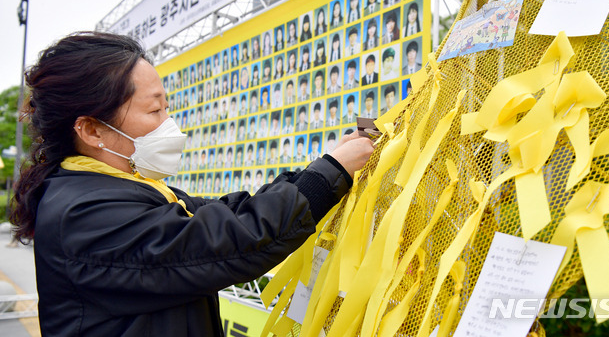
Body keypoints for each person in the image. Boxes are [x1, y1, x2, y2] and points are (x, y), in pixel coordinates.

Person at [10, 32, 374, 337]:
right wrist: (332, 172)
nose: (169, 122)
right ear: (92, 130)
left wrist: (326, 165)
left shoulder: (124, 189)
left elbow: (222, 213)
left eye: (166, 107)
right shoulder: (85, 213)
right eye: (154, 111)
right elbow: (231, 239)